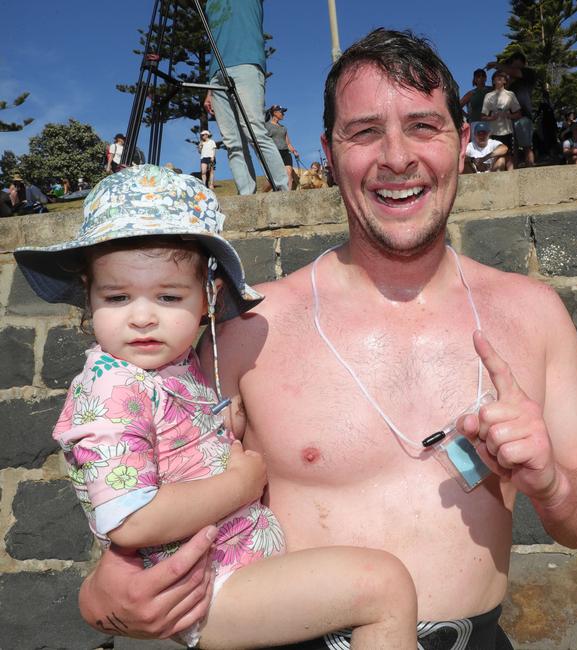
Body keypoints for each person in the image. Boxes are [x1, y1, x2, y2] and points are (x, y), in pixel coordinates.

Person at [77, 29, 577, 649]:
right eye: (365, 132)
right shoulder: (245, 328)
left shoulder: (534, 313)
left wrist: (551, 483)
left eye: (424, 127)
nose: (397, 157)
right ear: (330, 155)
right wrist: (103, 596)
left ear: (462, 140)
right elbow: (138, 480)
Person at [15, 164, 418, 650]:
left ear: (209, 297)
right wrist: (239, 483)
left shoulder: (176, 368)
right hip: (209, 590)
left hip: (236, 568)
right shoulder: (111, 389)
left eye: (168, 296)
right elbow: (130, 520)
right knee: (383, 585)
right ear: (90, 296)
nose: (142, 316)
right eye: (117, 297)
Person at [203, 0, 288, 195]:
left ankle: (282, 190)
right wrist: (209, 90)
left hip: (246, 64)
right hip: (216, 75)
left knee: (254, 131)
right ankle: (246, 194)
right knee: (232, 142)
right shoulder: (208, 4)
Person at [487, 53, 536, 167]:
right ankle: (513, 173)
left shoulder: (528, 73)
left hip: (523, 116)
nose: (512, 68)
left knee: (526, 146)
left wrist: (496, 64)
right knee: (512, 148)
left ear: (522, 63)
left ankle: (531, 169)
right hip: (509, 118)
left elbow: (514, 72)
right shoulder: (510, 82)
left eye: (515, 64)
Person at [481, 71, 521, 171]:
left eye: (502, 77)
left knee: (509, 156)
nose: (499, 78)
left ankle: (512, 178)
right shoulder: (488, 96)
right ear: (493, 81)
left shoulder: (510, 94)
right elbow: (483, 116)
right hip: (493, 132)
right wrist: (491, 118)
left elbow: (518, 114)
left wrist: (508, 115)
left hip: (508, 131)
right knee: (497, 157)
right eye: (496, 77)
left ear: (505, 81)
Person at [265, 105, 300, 190]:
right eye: (282, 112)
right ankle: (262, 192)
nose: (283, 114)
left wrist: (294, 151)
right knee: (272, 180)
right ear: (275, 113)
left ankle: (287, 196)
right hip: (274, 153)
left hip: (285, 153)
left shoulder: (284, 128)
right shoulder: (266, 125)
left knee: (289, 173)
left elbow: (288, 143)